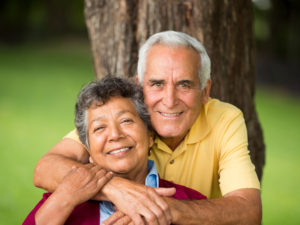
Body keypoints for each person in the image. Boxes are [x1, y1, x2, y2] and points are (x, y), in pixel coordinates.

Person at [33, 31, 262, 224]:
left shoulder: (224, 120)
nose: (169, 100)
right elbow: (46, 168)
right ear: (139, 87)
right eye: (157, 84)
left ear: (205, 91)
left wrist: (162, 209)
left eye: (184, 84)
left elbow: (248, 210)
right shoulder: (121, 121)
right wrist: (119, 191)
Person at [23, 77, 206, 225]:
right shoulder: (65, 199)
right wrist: (64, 198)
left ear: (150, 136)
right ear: (89, 150)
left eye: (126, 121)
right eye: (99, 128)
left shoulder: (190, 203)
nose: (115, 135)